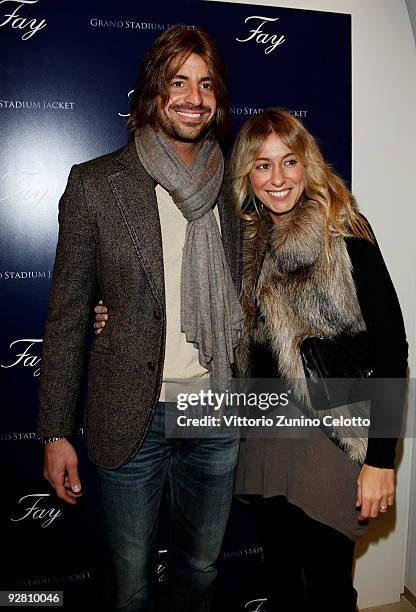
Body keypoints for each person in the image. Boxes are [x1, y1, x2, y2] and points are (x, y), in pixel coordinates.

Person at [37, 25, 243, 612]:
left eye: (205, 84)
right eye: (178, 81)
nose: (193, 97)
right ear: (152, 92)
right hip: (131, 413)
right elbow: (69, 315)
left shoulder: (236, 185)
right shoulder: (96, 184)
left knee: (201, 569)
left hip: (217, 409)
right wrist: (55, 431)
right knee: (131, 585)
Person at [230, 107, 408, 611]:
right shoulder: (245, 241)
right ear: (247, 174)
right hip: (267, 442)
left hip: (332, 443)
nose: (278, 178)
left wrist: (379, 459)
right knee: (284, 587)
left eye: (289, 162)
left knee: (329, 591)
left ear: (307, 163)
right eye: (262, 166)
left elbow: (392, 346)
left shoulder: (344, 228)